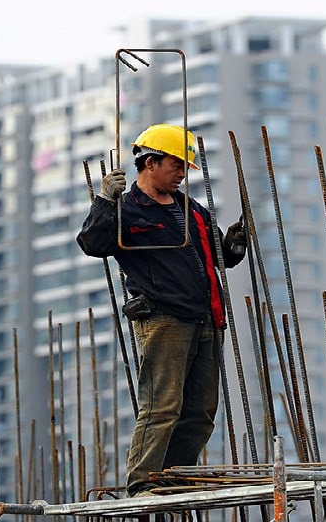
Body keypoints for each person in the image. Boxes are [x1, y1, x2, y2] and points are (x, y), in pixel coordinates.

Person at [76, 123, 248, 497]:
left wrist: (234, 247)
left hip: (205, 317)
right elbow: (92, 242)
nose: (182, 174)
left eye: (185, 168)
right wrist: (105, 201)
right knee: (162, 404)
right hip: (163, 319)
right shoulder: (128, 209)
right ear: (150, 163)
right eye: (176, 165)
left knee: (200, 412)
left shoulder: (191, 210)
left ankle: (172, 477)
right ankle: (142, 481)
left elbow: (218, 258)